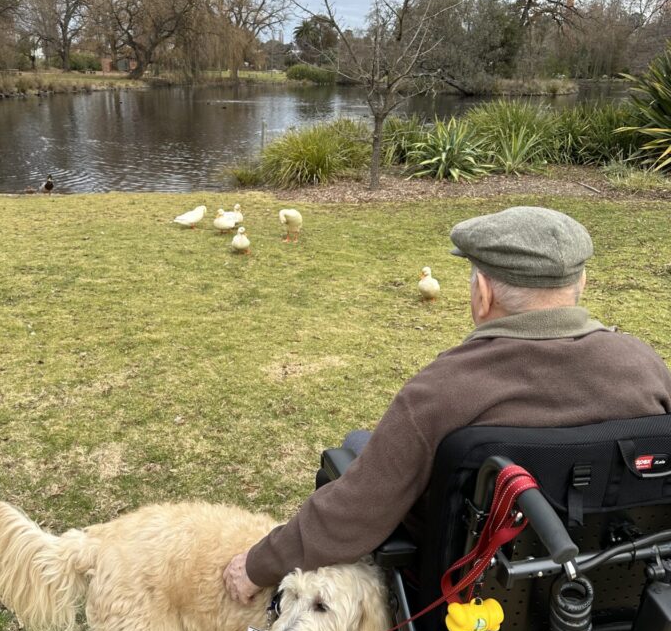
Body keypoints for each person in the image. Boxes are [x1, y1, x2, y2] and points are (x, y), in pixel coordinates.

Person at [223, 206, 671, 604]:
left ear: (483, 293)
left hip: (465, 601)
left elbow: (352, 514)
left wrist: (256, 566)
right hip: (616, 593)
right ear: (581, 284)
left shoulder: (443, 390)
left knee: (354, 451)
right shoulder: (646, 364)